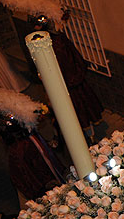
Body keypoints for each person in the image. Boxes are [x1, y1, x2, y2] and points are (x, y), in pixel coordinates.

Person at [30, 15, 104, 143]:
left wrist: (72, 78)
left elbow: (71, 58)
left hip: (70, 84)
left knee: (81, 110)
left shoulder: (58, 42)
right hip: (63, 84)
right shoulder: (43, 45)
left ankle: (89, 136)